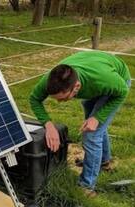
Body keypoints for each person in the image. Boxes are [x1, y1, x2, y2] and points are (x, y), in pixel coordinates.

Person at [29, 51, 131, 195]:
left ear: (76, 87)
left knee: (92, 134)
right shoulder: (49, 81)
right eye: (56, 98)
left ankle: (86, 186)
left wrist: (97, 118)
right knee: (94, 124)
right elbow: (34, 99)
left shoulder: (103, 79)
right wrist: (48, 125)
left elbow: (122, 91)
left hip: (117, 80)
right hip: (95, 78)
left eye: (63, 98)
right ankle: (104, 162)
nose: (59, 102)